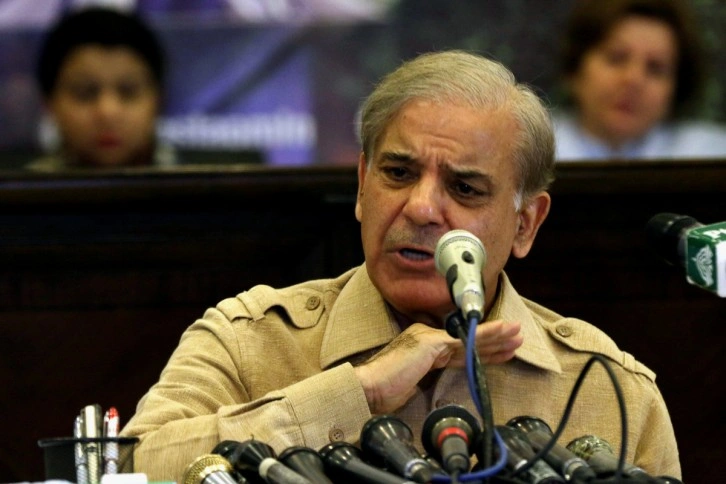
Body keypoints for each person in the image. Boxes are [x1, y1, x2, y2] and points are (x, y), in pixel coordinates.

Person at [120, 50, 681, 482]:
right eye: (398, 173)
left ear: (525, 224)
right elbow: (131, 466)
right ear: (363, 185)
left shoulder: (606, 388)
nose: (420, 208)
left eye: (464, 188)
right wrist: (355, 393)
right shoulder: (249, 342)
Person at [553, 0, 726, 161]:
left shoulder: (712, 155)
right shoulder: (539, 148)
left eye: (655, 68)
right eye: (617, 58)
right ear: (574, 70)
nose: (633, 79)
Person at [27, 6, 175, 171]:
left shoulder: (194, 177)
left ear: (159, 100)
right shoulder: (21, 185)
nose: (108, 112)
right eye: (85, 93)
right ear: (49, 103)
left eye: (128, 92)